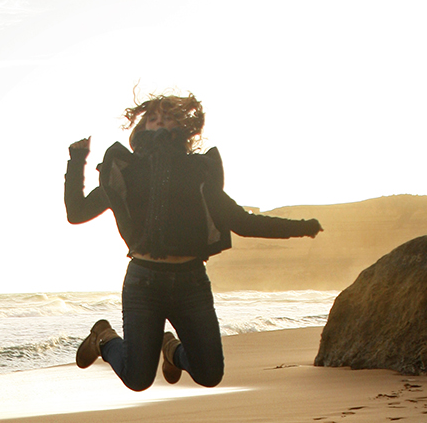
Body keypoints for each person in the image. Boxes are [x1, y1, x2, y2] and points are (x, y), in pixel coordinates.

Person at [64, 92, 322, 392]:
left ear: (183, 127)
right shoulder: (125, 172)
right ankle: (104, 338)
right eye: (151, 118)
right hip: (143, 283)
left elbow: (241, 222)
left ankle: (171, 350)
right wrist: (77, 160)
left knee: (209, 374)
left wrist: (302, 228)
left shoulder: (198, 172)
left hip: (191, 284)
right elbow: (77, 212)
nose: (159, 121)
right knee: (137, 379)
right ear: (141, 129)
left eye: (167, 116)